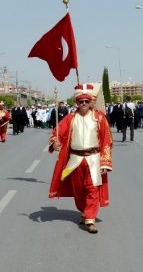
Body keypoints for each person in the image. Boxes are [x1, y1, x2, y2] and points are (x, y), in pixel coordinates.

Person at [48, 84, 112, 234]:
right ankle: (84, 211)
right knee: (78, 190)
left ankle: (90, 219)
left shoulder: (99, 118)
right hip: (75, 159)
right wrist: (54, 143)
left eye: (86, 101)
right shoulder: (70, 118)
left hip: (94, 159)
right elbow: (57, 133)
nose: (83, 104)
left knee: (92, 188)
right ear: (76, 103)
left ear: (91, 102)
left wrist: (105, 161)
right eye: (80, 101)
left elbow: (106, 140)